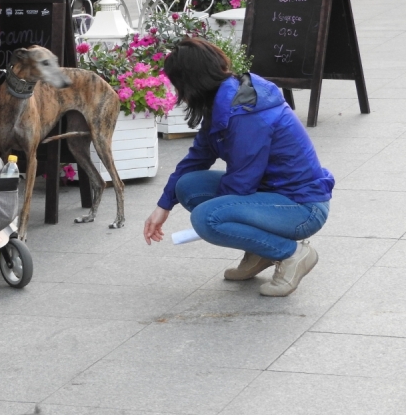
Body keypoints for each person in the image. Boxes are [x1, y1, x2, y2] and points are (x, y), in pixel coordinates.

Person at [143, 38, 334, 297]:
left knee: (206, 218)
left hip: (302, 208)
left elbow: (241, 184)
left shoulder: (246, 113)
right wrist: (163, 206)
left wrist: (216, 220)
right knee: (187, 186)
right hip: (271, 194)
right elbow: (196, 158)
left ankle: (293, 254)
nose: (179, 95)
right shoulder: (226, 100)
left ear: (191, 82)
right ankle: (260, 252)